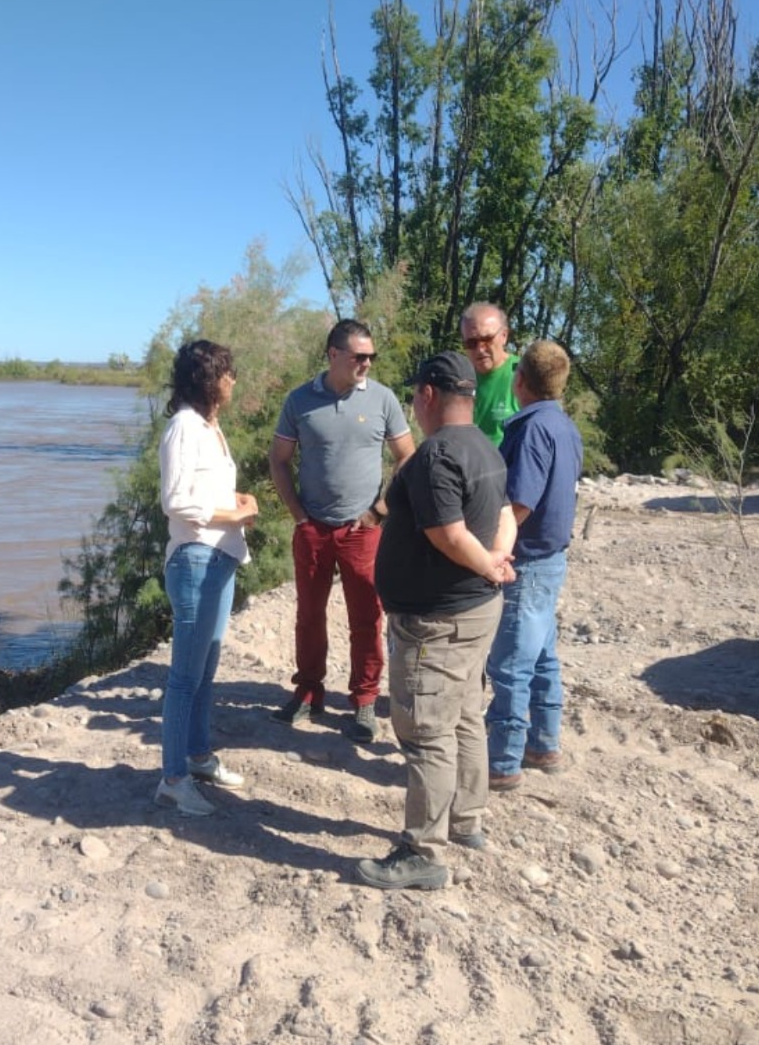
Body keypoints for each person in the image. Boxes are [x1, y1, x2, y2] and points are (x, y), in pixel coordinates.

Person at [357, 351, 516, 891]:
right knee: (467, 714)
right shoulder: (485, 446)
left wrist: (489, 564)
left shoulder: (436, 455)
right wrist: (495, 558)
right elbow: (502, 516)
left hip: (437, 622)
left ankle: (422, 850)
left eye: (414, 396)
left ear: (428, 394)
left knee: (426, 732)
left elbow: (447, 534)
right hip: (474, 614)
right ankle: (466, 821)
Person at [269, 319, 415, 742]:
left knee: (366, 618)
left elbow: (407, 456)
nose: (367, 363)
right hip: (313, 528)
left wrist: (380, 511)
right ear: (334, 355)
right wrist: (298, 514)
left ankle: (364, 702)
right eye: (359, 356)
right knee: (309, 616)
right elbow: (278, 459)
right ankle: (309, 692)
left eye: (371, 356)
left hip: (363, 531)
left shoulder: (383, 399)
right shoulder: (299, 401)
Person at [155, 340, 259, 816]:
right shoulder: (183, 427)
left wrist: (239, 502)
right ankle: (173, 779)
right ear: (209, 380)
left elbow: (206, 491)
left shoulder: (209, 427)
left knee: (205, 672)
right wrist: (232, 516)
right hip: (195, 561)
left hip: (219, 560)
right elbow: (176, 501)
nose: (233, 380)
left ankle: (197, 757)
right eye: (227, 372)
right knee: (183, 678)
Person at [485, 340, 584, 789]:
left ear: (519, 380)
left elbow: (520, 502)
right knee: (542, 657)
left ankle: (501, 764)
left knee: (510, 667)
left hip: (525, 562)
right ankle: (544, 743)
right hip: (552, 558)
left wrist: (492, 550)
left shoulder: (530, 430)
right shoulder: (564, 426)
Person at [461, 302, 518, 446]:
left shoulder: (523, 374)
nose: (480, 349)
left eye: (487, 339)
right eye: (472, 343)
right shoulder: (458, 379)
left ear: (504, 336)